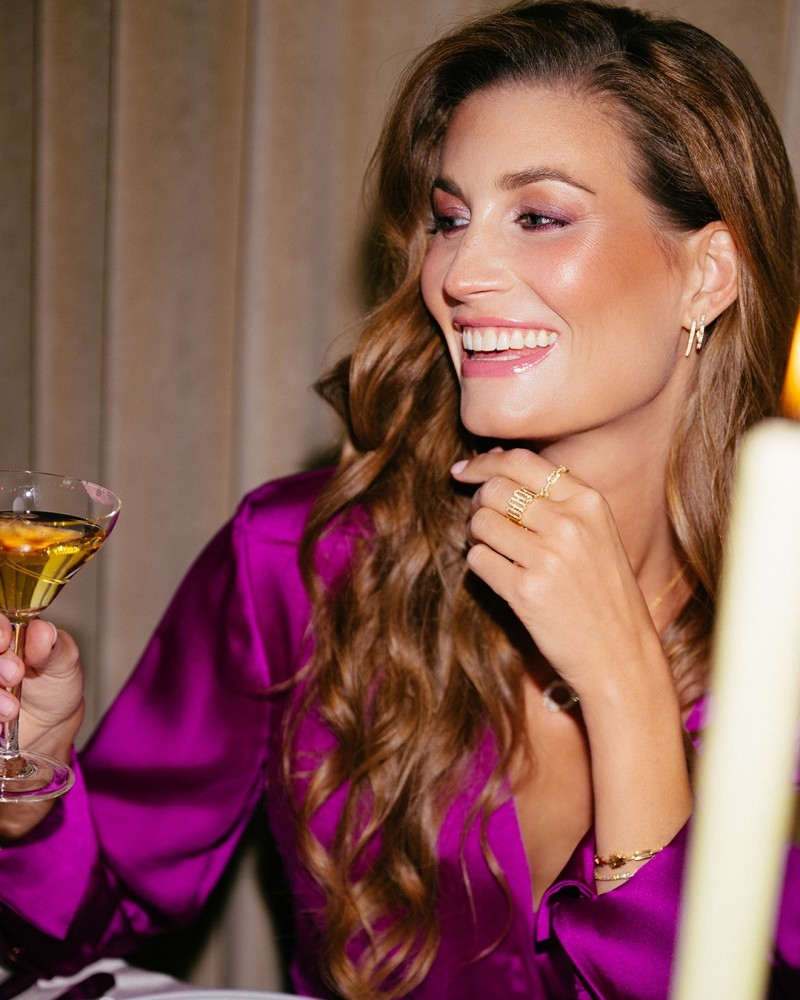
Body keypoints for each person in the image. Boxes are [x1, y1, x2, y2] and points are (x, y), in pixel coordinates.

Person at [0, 1, 798, 997]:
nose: (459, 272)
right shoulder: (302, 558)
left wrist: (624, 686)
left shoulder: (783, 630)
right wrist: (27, 798)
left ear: (706, 274)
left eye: (539, 216)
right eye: (450, 219)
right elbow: (75, 935)